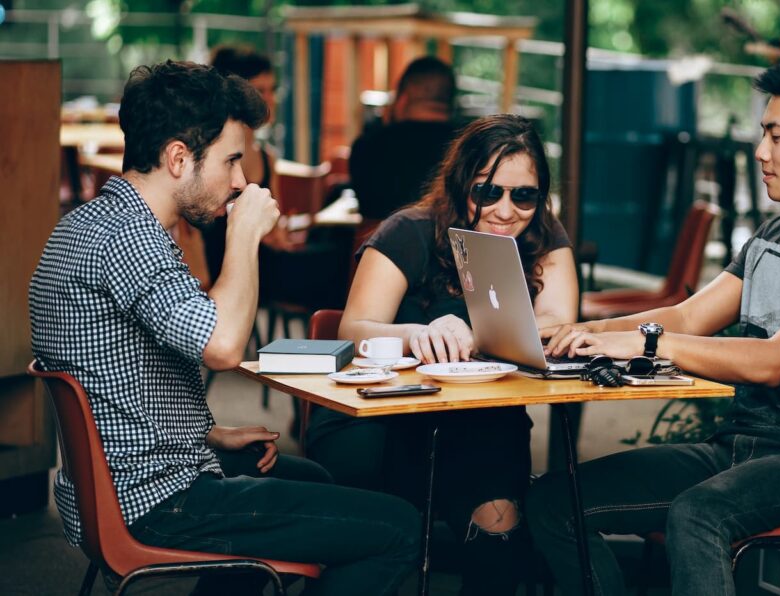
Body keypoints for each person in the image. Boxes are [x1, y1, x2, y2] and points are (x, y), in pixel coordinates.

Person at [29, 60, 419, 596]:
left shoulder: (89, 224)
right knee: (396, 527)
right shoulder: (130, 239)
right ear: (178, 158)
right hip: (156, 499)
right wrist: (244, 236)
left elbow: (112, 375)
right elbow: (224, 347)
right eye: (232, 160)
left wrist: (204, 433)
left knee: (315, 480)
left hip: (116, 485)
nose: (241, 180)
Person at [528, 59, 780, 596]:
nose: (761, 152)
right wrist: (583, 331)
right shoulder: (774, 234)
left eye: (776, 136)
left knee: (697, 515)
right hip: (734, 449)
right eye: (763, 135)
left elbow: (773, 361)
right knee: (554, 504)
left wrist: (638, 341)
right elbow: (688, 316)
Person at [305, 114, 579, 594]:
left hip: (481, 421)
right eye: (487, 191)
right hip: (383, 418)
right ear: (459, 187)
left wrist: (486, 330)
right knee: (383, 531)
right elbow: (352, 330)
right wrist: (418, 333)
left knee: (501, 536)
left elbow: (556, 323)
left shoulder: (543, 237)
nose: (506, 209)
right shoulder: (408, 231)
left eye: (524, 195)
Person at [202, 44, 283, 283]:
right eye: (260, 90)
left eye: (272, 90)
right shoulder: (208, 157)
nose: (270, 99)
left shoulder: (268, 159)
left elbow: (275, 228)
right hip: (219, 267)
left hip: (261, 265)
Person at [349, 55, 461, 221]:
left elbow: (366, 209)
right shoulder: (468, 147)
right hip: (445, 245)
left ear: (402, 99)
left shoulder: (367, 145)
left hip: (378, 244)